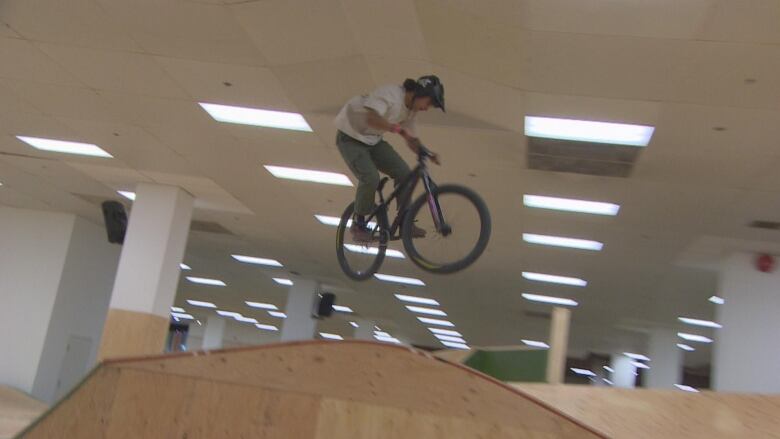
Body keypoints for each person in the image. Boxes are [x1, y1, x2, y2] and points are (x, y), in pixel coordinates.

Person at [334, 75, 445, 242]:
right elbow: (371, 118)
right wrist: (396, 128)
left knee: (404, 173)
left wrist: (425, 152)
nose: (426, 108)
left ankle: (405, 222)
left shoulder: (410, 112)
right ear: (420, 92)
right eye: (428, 103)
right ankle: (359, 223)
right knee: (370, 177)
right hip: (350, 137)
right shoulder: (391, 94)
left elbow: (412, 139)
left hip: (372, 141)